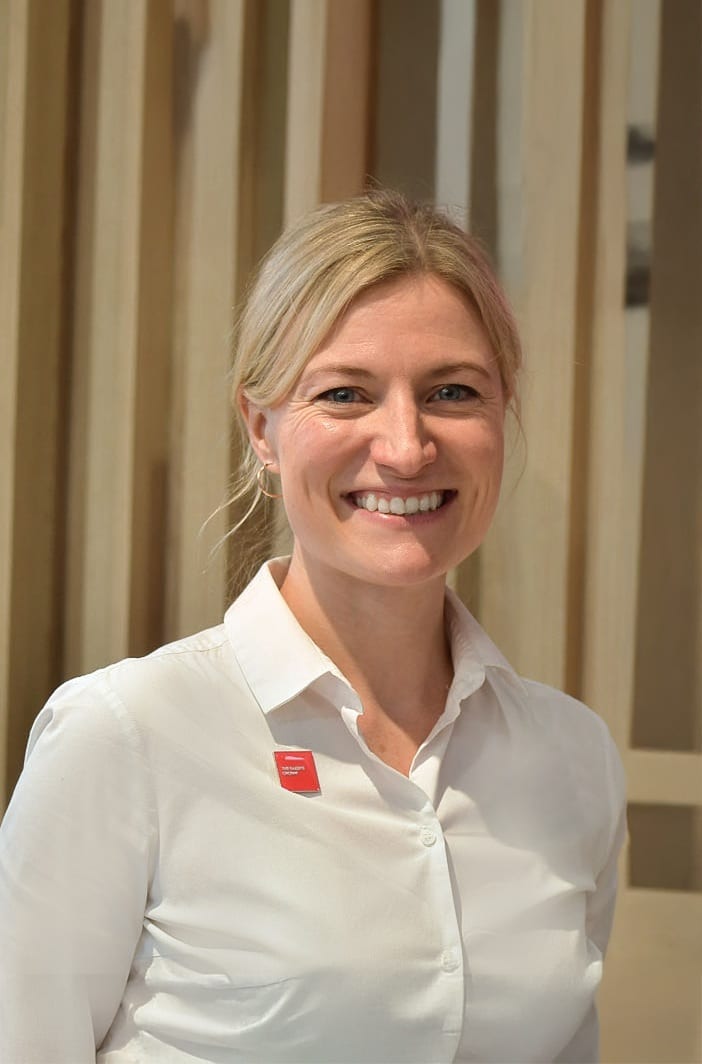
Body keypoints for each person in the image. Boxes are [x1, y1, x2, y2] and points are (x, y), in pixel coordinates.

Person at [0, 190, 626, 1063]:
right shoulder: (125, 736)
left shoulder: (573, 759)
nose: (405, 447)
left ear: (500, 415)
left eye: (452, 391)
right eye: (345, 394)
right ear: (262, 427)